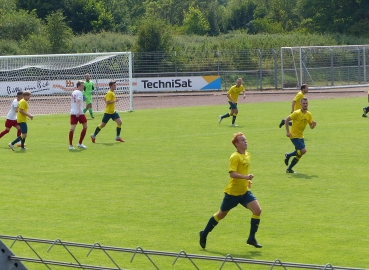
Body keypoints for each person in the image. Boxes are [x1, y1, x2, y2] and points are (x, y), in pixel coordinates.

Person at [199, 132, 262, 249]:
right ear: (237, 144)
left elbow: (242, 171)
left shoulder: (248, 155)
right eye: (242, 140)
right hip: (232, 193)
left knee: (257, 211)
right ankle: (204, 233)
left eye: (245, 139)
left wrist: (247, 181)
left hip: (244, 192)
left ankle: (251, 238)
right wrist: (246, 177)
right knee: (221, 214)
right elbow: (232, 173)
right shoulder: (235, 156)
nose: (245, 141)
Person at [284, 97, 316, 173]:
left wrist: (313, 125)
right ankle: (288, 155)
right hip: (294, 135)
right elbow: (286, 120)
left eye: (306, 103)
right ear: (301, 104)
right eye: (304, 103)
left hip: (301, 136)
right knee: (303, 151)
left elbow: (311, 127)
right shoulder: (297, 113)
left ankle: (289, 168)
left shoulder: (309, 114)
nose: (305, 105)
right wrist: (288, 132)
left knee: (300, 154)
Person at [69, 80, 88, 150]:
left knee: (72, 129)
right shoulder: (80, 92)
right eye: (82, 85)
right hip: (79, 113)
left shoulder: (73, 92)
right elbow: (79, 101)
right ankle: (80, 143)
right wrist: (79, 111)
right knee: (85, 127)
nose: (83, 86)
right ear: (79, 86)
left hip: (72, 112)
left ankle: (71, 145)